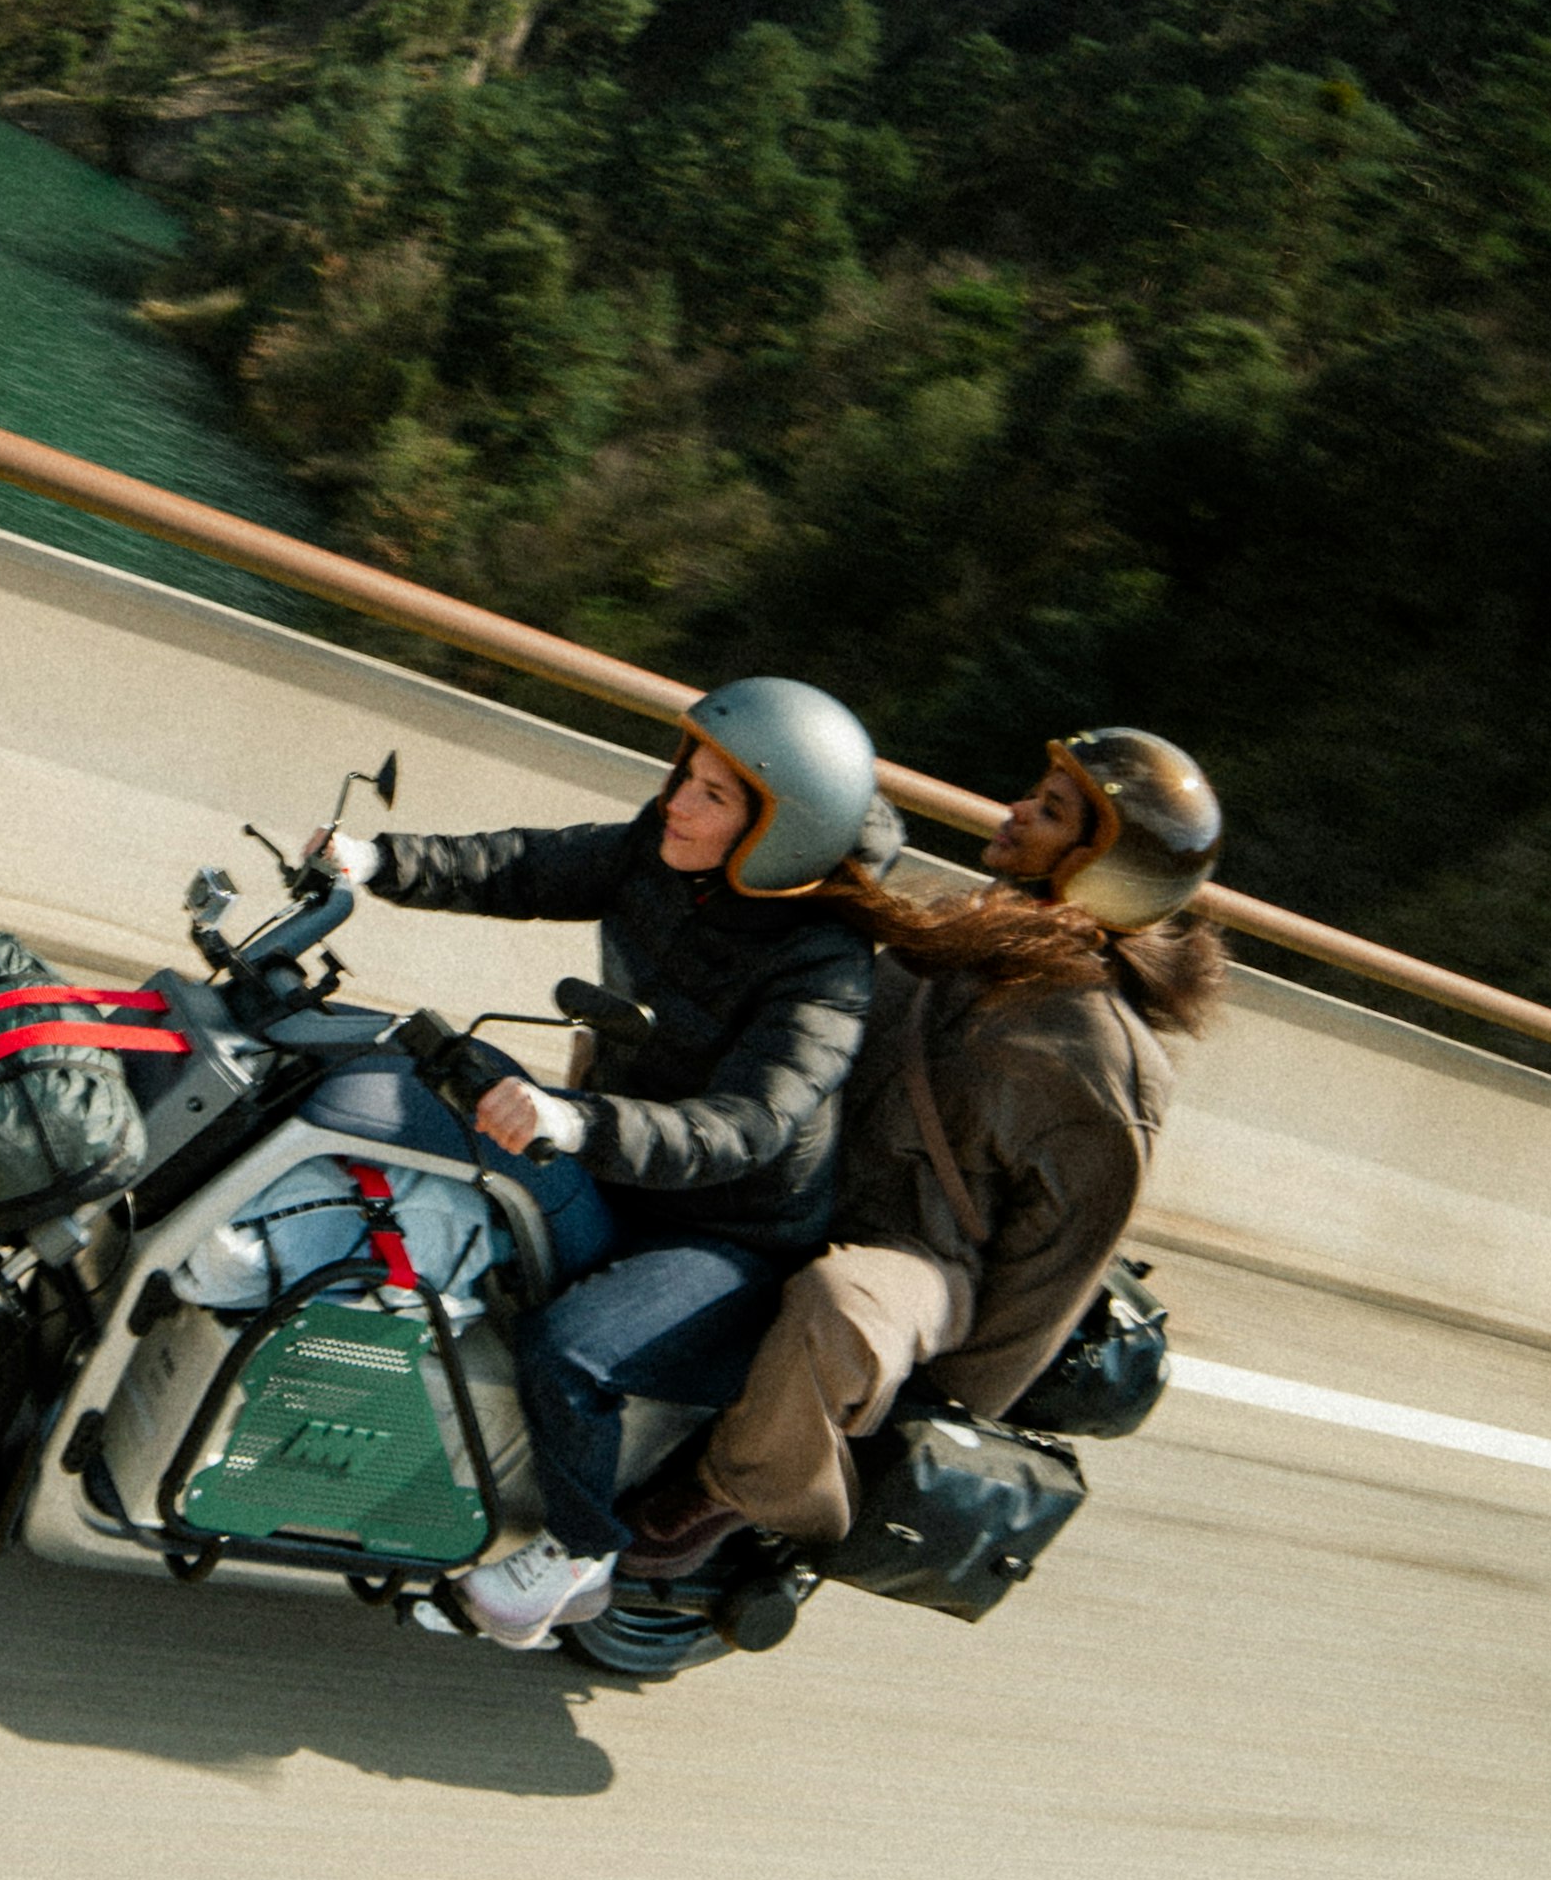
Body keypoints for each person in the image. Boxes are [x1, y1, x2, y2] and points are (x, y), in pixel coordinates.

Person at [590, 723, 1226, 1670]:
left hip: (922, 1262)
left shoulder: (1107, 1063)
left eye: (1051, 812)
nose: (1016, 810)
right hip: (805, 1183)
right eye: (1037, 791)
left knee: (840, 1306)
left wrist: (950, 1404)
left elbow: (1060, 1259)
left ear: (1108, 868)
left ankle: (733, 1493)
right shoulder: (953, 922)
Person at [328, 677, 891, 1651]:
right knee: (437, 1163)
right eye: (687, 775)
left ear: (781, 830)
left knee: (569, 1345)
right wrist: (380, 860)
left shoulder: (826, 966)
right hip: (624, 1158)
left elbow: (746, 1125)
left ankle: (579, 1549)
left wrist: (578, 1120)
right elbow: (527, 866)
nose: (678, 800)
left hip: (729, 1234)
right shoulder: (662, 848)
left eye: (715, 793)